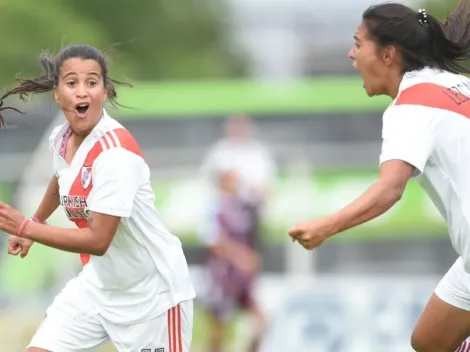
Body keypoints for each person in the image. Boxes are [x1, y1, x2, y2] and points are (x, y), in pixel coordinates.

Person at [287, 2, 470, 352]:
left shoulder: (410, 107)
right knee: (430, 340)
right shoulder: (457, 84)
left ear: (388, 55)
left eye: (358, 43)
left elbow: (390, 189)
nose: (351, 54)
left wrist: (325, 227)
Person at [0, 44, 196, 352]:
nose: (82, 92)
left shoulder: (115, 155)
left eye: (91, 83)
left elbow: (98, 241)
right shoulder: (61, 138)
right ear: (57, 93)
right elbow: (61, 178)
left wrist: (25, 228)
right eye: (72, 83)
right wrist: (36, 221)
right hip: (98, 288)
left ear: (104, 92)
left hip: (152, 298)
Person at [198, 168, 265, 352]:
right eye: (232, 180)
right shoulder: (213, 206)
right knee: (219, 329)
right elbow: (212, 240)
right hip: (222, 276)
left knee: (261, 320)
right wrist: (242, 257)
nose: (237, 184)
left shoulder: (242, 205)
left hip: (242, 277)